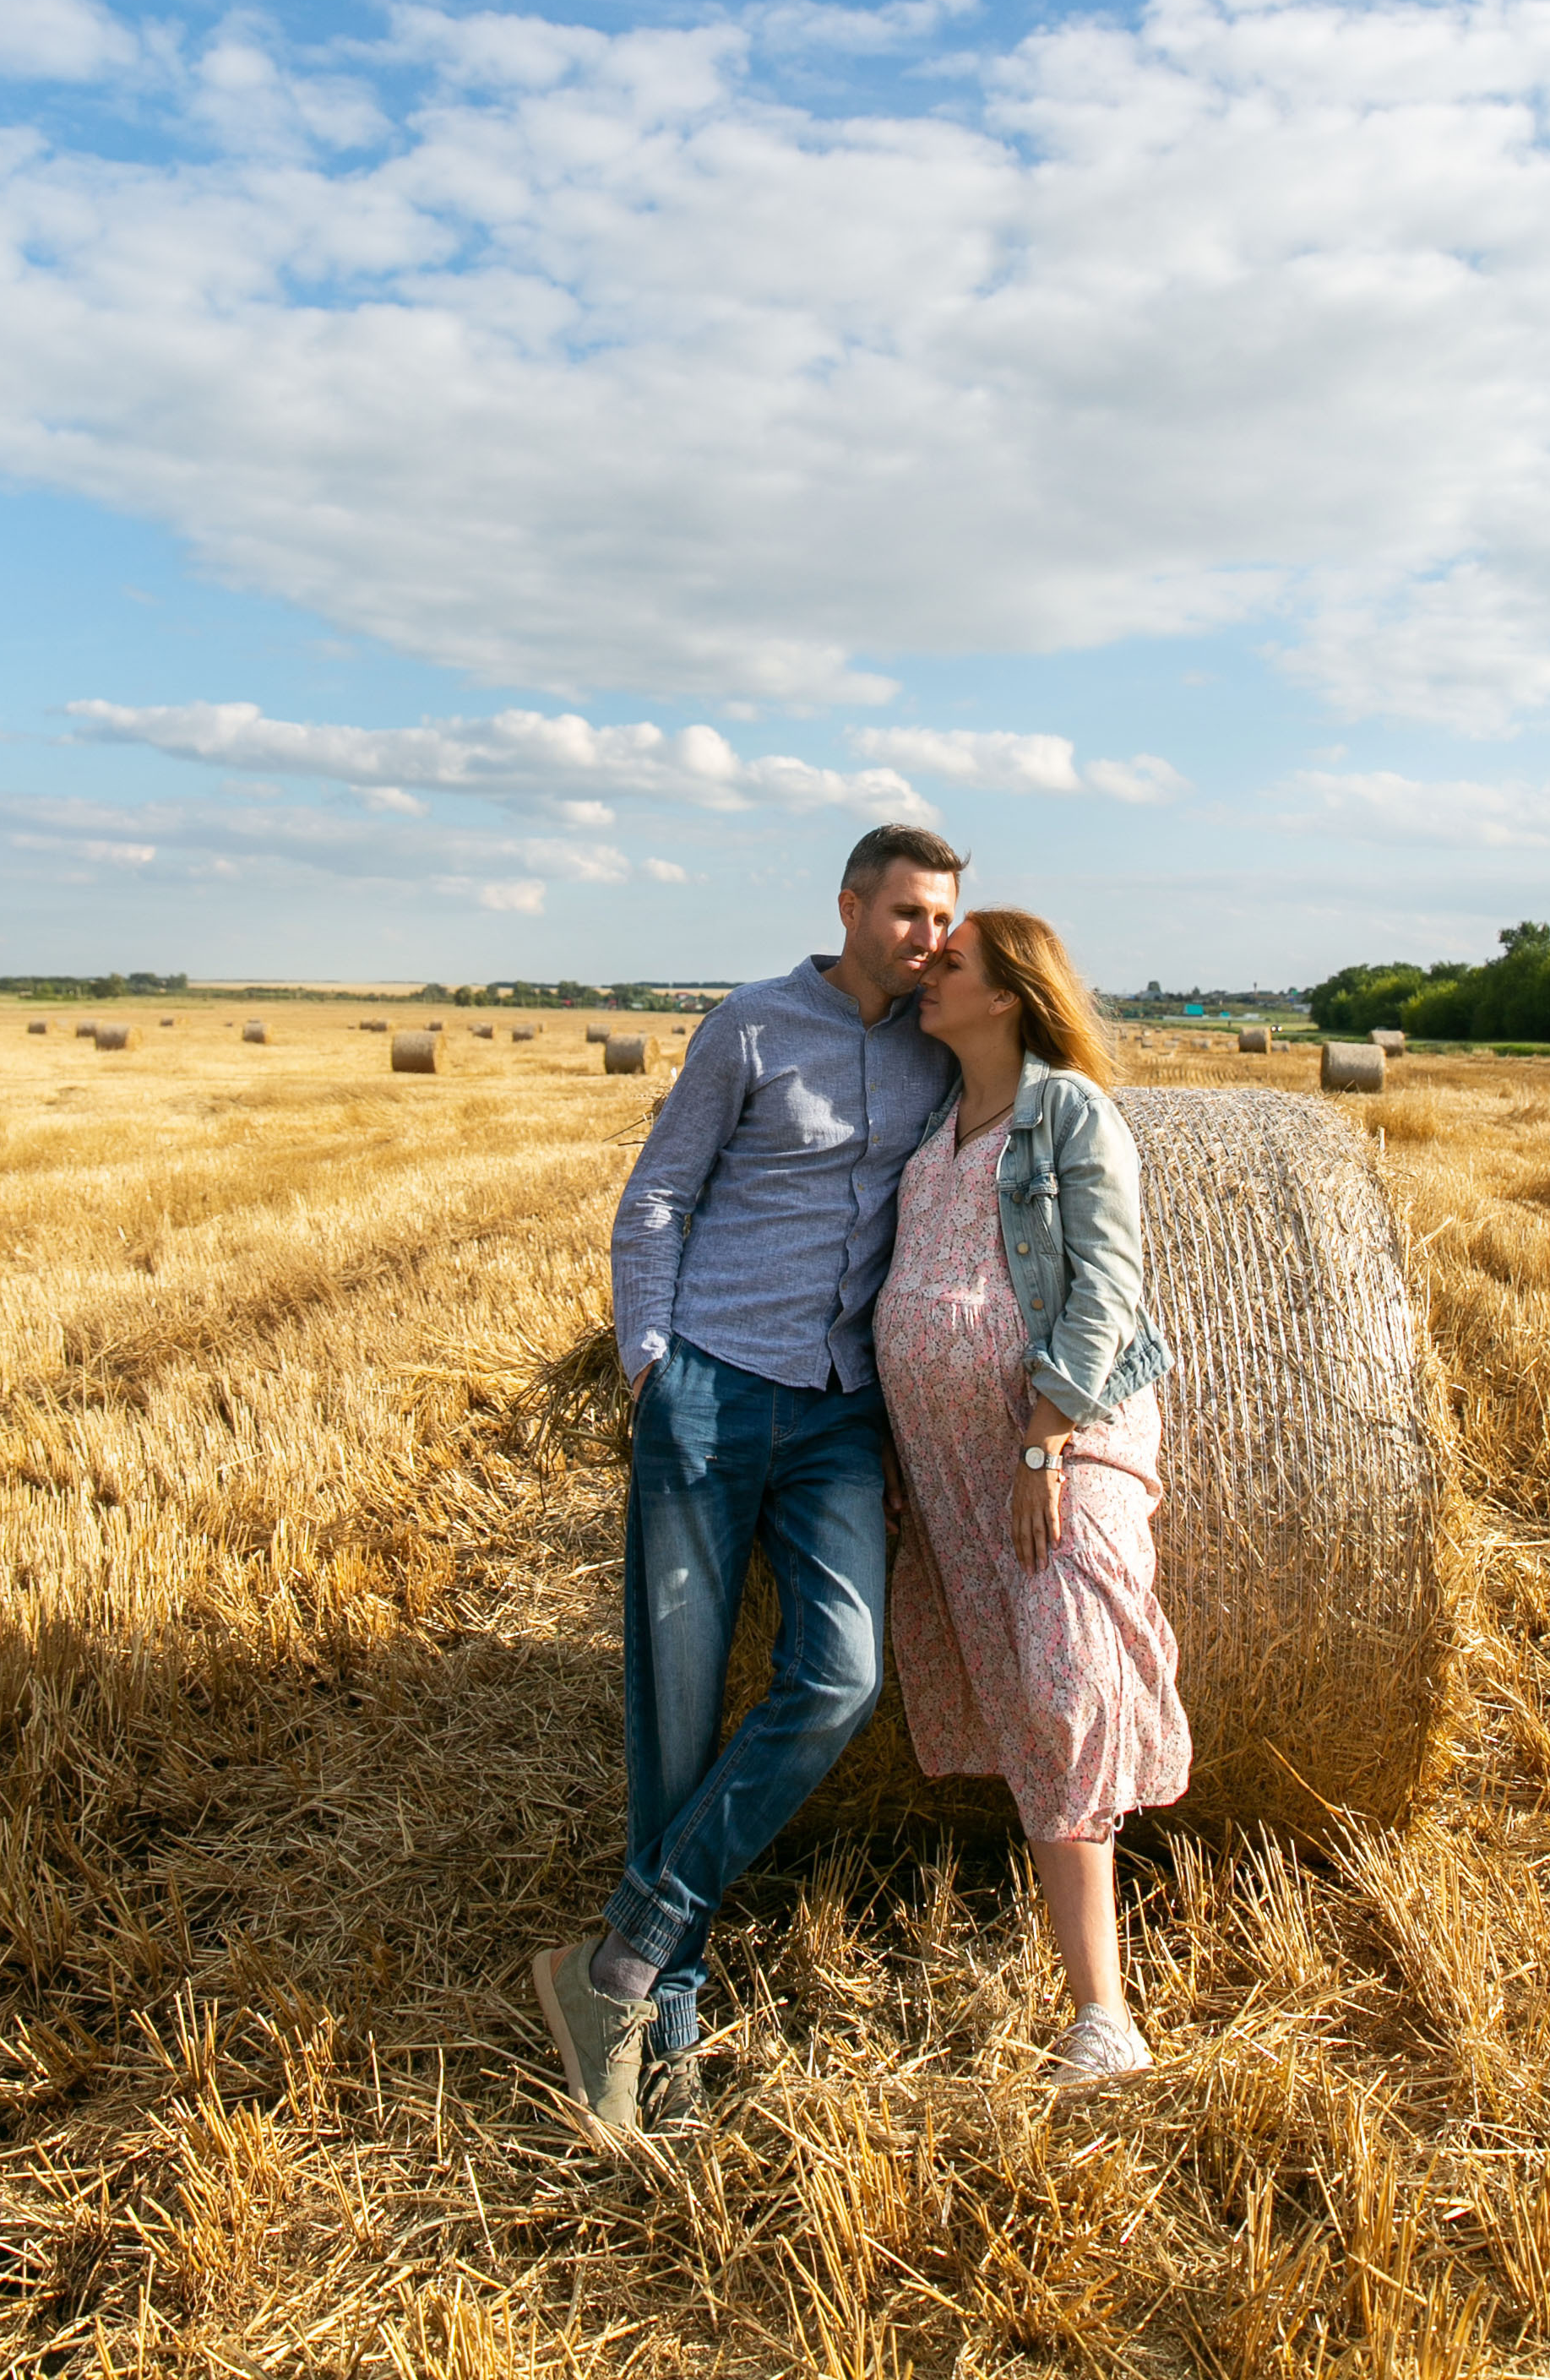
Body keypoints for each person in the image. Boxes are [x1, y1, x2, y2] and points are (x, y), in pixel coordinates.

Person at [533, 824, 965, 2133]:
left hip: (839, 1409)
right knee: (675, 1701)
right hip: (712, 1387)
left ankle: (633, 1932)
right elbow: (658, 1193)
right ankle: (662, 2014)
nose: (926, 937)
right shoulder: (750, 1026)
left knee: (839, 1674)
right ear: (847, 904)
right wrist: (647, 1360)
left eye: (942, 917)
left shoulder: (935, 1052)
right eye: (903, 912)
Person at [874, 906, 1189, 2085]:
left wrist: (1045, 1436)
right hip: (948, 1460)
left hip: (1057, 1434)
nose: (925, 972)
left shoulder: (1067, 1110)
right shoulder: (929, 1119)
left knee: (1067, 1666)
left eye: (946, 962)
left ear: (1007, 991)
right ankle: (1086, 1984)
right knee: (1016, 1686)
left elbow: (1106, 1282)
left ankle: (1102, 2015)